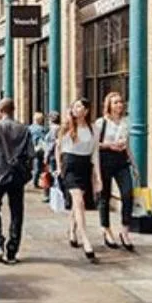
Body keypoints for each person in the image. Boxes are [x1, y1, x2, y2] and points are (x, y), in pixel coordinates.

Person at [0, 98, 34, 264]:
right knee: (17, 212)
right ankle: (12, 250)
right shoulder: (24, 129)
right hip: (17, 176)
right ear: (14, 109)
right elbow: (31, 153)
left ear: (0, 111)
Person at [56, 98, 102, 263]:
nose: (76, 109)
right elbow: (58, 148)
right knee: (79, 202)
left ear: (86, 110)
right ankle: (86, 240)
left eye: (79, 106)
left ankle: (72, 230)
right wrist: (59, 168)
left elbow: (95, 153)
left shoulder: (94, 129)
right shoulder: (66, 127)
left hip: (84, 165)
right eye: (74, 106)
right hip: (70, 165)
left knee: (78, 203)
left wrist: (98, 177)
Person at [95, 92, 135, 251]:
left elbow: (127, 145)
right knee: (104, 196)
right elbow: (94, 145)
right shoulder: (101, 123)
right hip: (105, 159)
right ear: (109, 105)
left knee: (128, 194)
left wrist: (134, 165)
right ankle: (106, 230)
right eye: (115, 102)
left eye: (120, 102)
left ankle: (125, 231)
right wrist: (110, 145)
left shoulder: (126, 122)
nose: (119, 105)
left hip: (122, 160)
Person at [28, 112, 49, 188]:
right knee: (38, 165)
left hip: (30, 149)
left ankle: (34, 181)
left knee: (34, 164)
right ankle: (35, 182)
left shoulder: (29, 128)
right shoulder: (41, 129)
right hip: (38, 149)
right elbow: (44, 139)